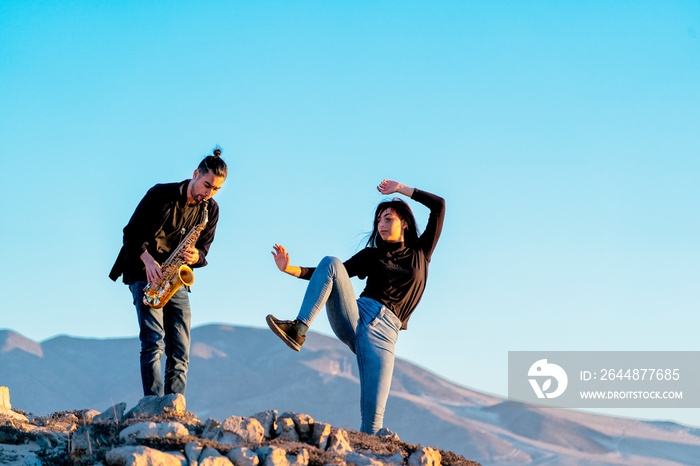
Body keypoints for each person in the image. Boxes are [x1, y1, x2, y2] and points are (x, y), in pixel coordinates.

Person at [266, 179, 445, 435]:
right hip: (356, 316)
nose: (381, 225)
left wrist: (400, 189)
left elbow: (439, 205)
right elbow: (329, 273)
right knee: (332, 262)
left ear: (404, 222)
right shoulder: (372, 256)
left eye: (387, 219)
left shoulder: (421, 252)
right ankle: (298, 329)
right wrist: (290, 269)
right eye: (379, 221)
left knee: (373, 425)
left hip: (384, 338)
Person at [109, 148, 227, 397]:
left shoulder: (210, 211)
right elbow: (130, 234)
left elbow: (203, 251)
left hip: (175, 278)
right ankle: (152, 406)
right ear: (195, 174)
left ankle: (173, 409)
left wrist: (197, 257)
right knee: (153, 341)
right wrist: (147, 259)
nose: (209, 193)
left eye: (215, 189)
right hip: (145, 272)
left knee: (181, 350)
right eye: (206, 185)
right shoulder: (160, 194)